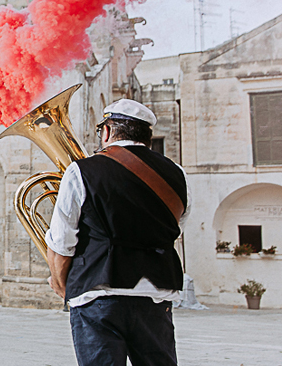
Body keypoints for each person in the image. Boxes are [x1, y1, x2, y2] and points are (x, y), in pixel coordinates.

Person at [45, 98, 191, 366]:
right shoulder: (178, 174)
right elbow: (176, 227)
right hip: (156, 294)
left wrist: (63, 284)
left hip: (97, 294)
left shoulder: (81, 170)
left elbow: (62, 242)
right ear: (147, 137)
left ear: (108, 131)